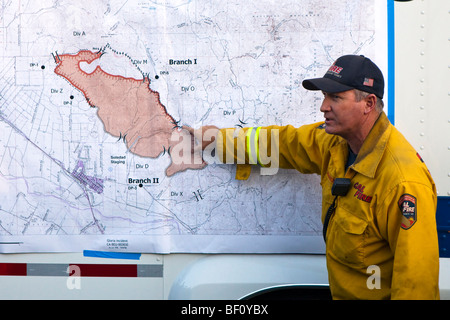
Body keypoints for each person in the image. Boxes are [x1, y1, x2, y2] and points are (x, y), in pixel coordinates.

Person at [184, 54, 440, 300]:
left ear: (369, 104)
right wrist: (220, 141)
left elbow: (416, 285)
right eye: (325, 96)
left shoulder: (402, 181)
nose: (323, 107)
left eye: (336, 97)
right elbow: (284, 144)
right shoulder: (335, 143)